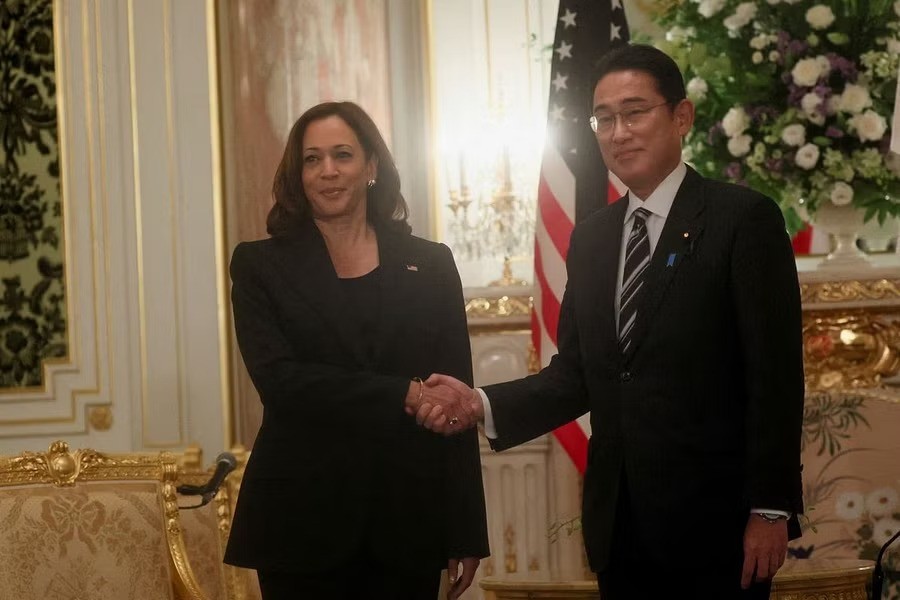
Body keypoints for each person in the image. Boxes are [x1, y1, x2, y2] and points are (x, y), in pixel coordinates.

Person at [419, 44, 804, 599]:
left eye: (635, 112)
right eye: (604, 118)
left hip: (718, 528)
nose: (618, 132)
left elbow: (775, 378)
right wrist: (479, 403)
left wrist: (770, 509)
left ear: (681, 116)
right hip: (619, 526)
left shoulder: (742, 220)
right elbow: (579, 373)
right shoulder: (593, 237)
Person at [223, 101, 489, 600]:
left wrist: (466, 530)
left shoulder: (430, 263)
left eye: (342, 155)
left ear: (370, 167)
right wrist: (403, 395)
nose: (328, 171)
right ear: (297, 175)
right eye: (312, 159)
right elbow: (281, 383)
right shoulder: (260, 266)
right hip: (300, 522)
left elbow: (455, 397)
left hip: (409, 519)